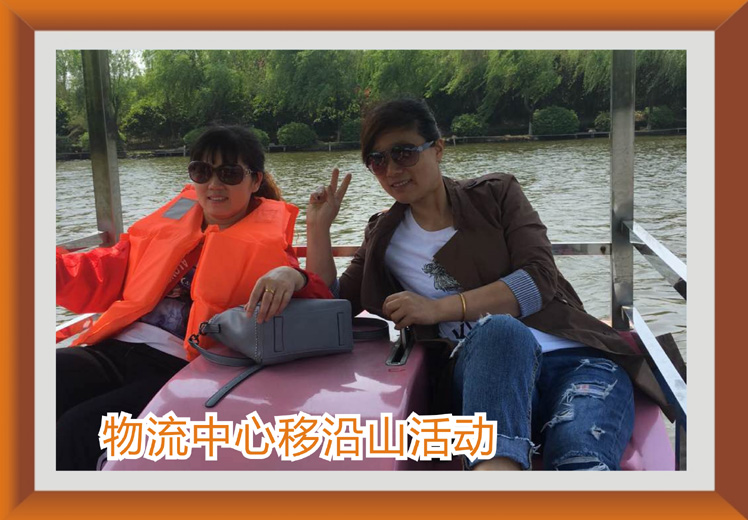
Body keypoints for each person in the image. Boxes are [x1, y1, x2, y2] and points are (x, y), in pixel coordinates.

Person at [306, 98, 673, 471]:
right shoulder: (385, 235)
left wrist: (437, 309)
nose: (391, 170)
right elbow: (333, 305)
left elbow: (538, 279)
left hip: (577, 362)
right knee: (500, 332)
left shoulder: (496, 195)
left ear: (438, 148)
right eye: (377, 160)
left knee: (580, 460)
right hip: (484, 377)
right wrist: (318, 228)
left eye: (403, 153)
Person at [57, 126, 332, 470]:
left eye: (229, 173)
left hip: (181, 370)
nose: (214, 184)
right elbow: (100, 270)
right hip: (113, 349)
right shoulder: (166, 227)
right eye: (202, 171)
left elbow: (319, 299)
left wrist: (294, 276)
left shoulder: (270, 250)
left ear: (255, 181)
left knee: (74, 433)